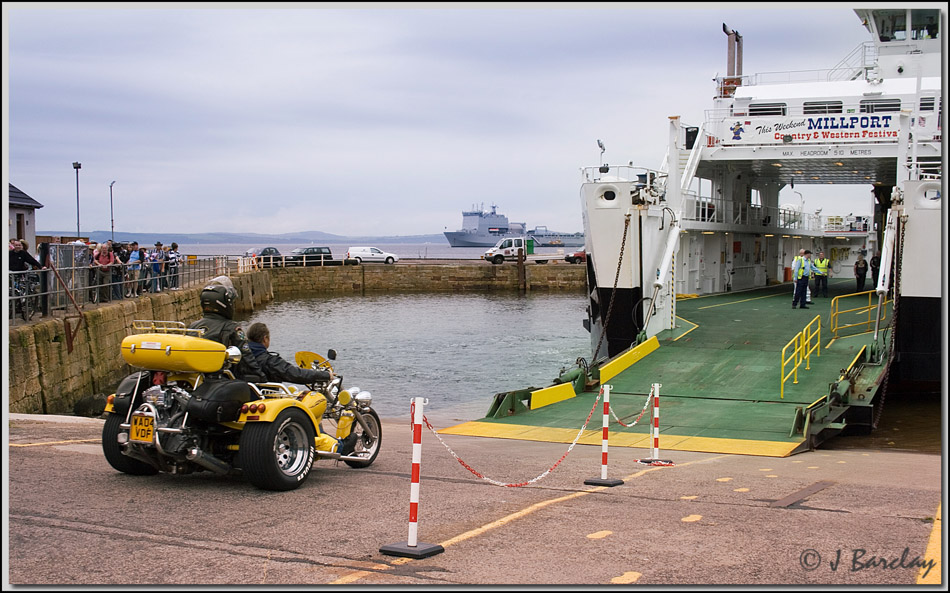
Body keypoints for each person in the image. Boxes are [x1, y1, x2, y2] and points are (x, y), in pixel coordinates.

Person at [188, 276, 265, 382]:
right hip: (220, 380)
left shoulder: (193, 326)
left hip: (195, 379)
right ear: (224, 304)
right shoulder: (232, 328)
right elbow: (247, 357)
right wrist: (262, 378)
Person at [246, 322, 334, 385]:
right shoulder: (270, 361)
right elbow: (296, 374)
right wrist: (325, 375)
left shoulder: (240, 357)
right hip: (267, 400)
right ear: (265, 339)